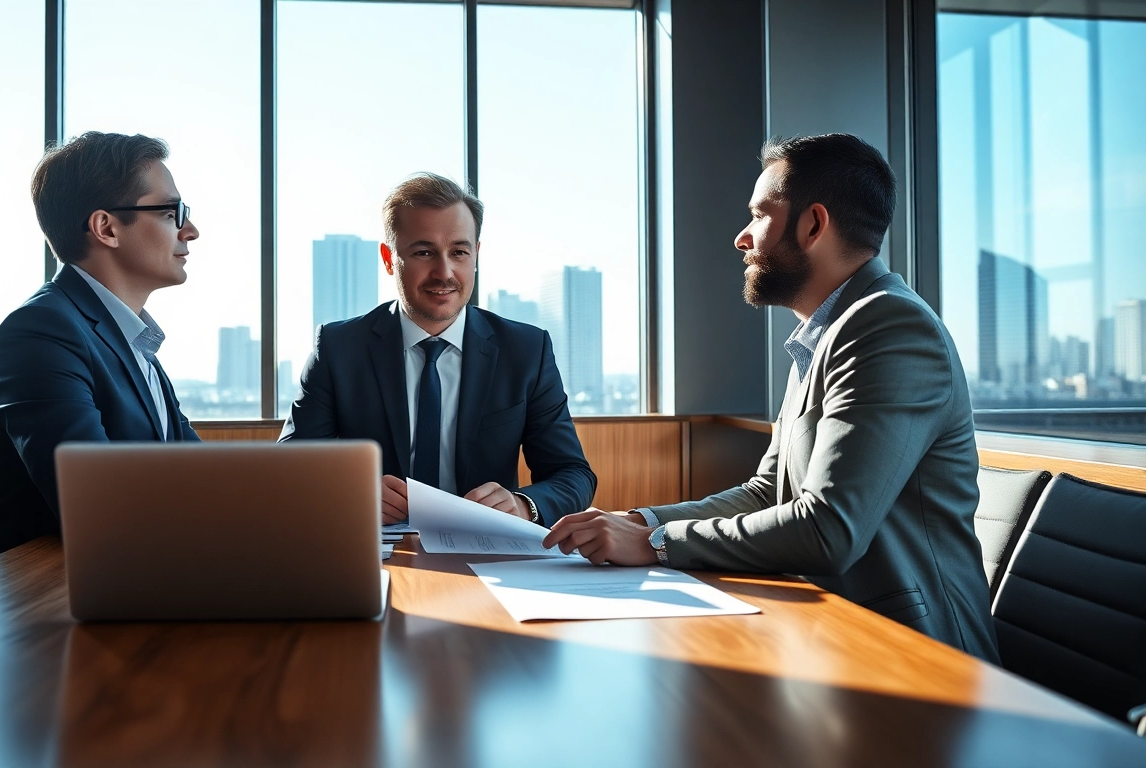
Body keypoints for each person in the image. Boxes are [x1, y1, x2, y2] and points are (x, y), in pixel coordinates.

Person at [543, 134, 999, 662]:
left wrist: (656, 544)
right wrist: (639, 522)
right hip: (829, 632)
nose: (742, 238)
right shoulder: (824, 333)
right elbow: (768, 492)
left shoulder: (889, 326)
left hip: (916, 654)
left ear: (813, 225)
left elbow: (829, 528)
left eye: (760, 215)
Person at [280, 173, 595, 526]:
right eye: (424, 252)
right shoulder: (339, 349)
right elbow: (290, 468)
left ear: (476, 255)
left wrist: (523, 505)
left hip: (489, 549)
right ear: (388, 258)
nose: (443, 272)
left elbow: (573, 475)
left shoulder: (525, 350)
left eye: (459, 252)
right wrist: (349, 491)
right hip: (377, 550)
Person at [0, 132, 202, 566]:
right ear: (106, 228)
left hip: (136, 576)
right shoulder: (40, 333)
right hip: (38, 601)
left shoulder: (132, 341)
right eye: (172, 212)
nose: (191, 230)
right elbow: (97, 504)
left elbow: (200, 476)